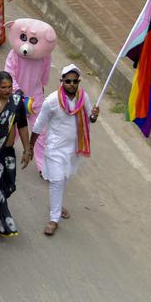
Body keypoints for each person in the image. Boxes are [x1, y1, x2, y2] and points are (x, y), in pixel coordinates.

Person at [25, 64, 99, 236]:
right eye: (68, 81)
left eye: (74, 81)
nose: (71, 84)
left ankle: (56, 206)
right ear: (62, 81)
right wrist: (30, 147)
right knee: (57, 180)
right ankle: (54, 218)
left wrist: (94, 115)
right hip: (55, 149)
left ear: (78, 82)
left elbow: (90, 118)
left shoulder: (83, 97)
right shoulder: (51, 100)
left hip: (74, 148)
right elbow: (38, 125)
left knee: (64, 177)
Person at [0, 71, 30, 238]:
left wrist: (27, 149)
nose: (8, 90)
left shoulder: (16, 103)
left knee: (7, 186)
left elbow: (22, 126)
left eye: (10, 87)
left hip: (8, 153)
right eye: (3, 87)